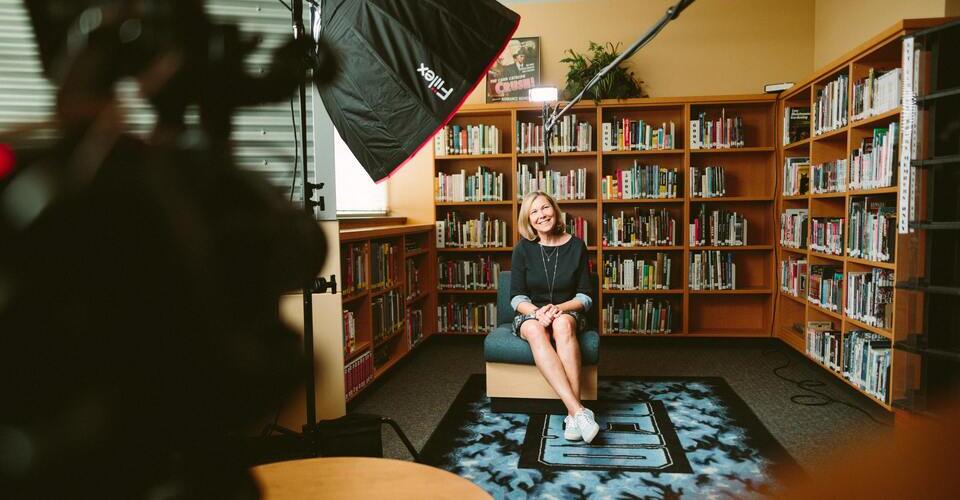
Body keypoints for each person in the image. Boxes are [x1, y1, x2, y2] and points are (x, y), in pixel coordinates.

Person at [510, 191, 600, 443]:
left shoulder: (576, 245)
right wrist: (538, 313)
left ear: (555, 210)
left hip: (566, 310)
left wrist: (557, 309)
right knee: (536, 330)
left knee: (561, 325)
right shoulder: (522, 249)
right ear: (528, 219)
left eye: (545, 208)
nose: (541, 215)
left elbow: (585, 296)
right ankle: (578, 411)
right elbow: (516, 298)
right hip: (531, 314)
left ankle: (573, 416)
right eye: (534, 212)